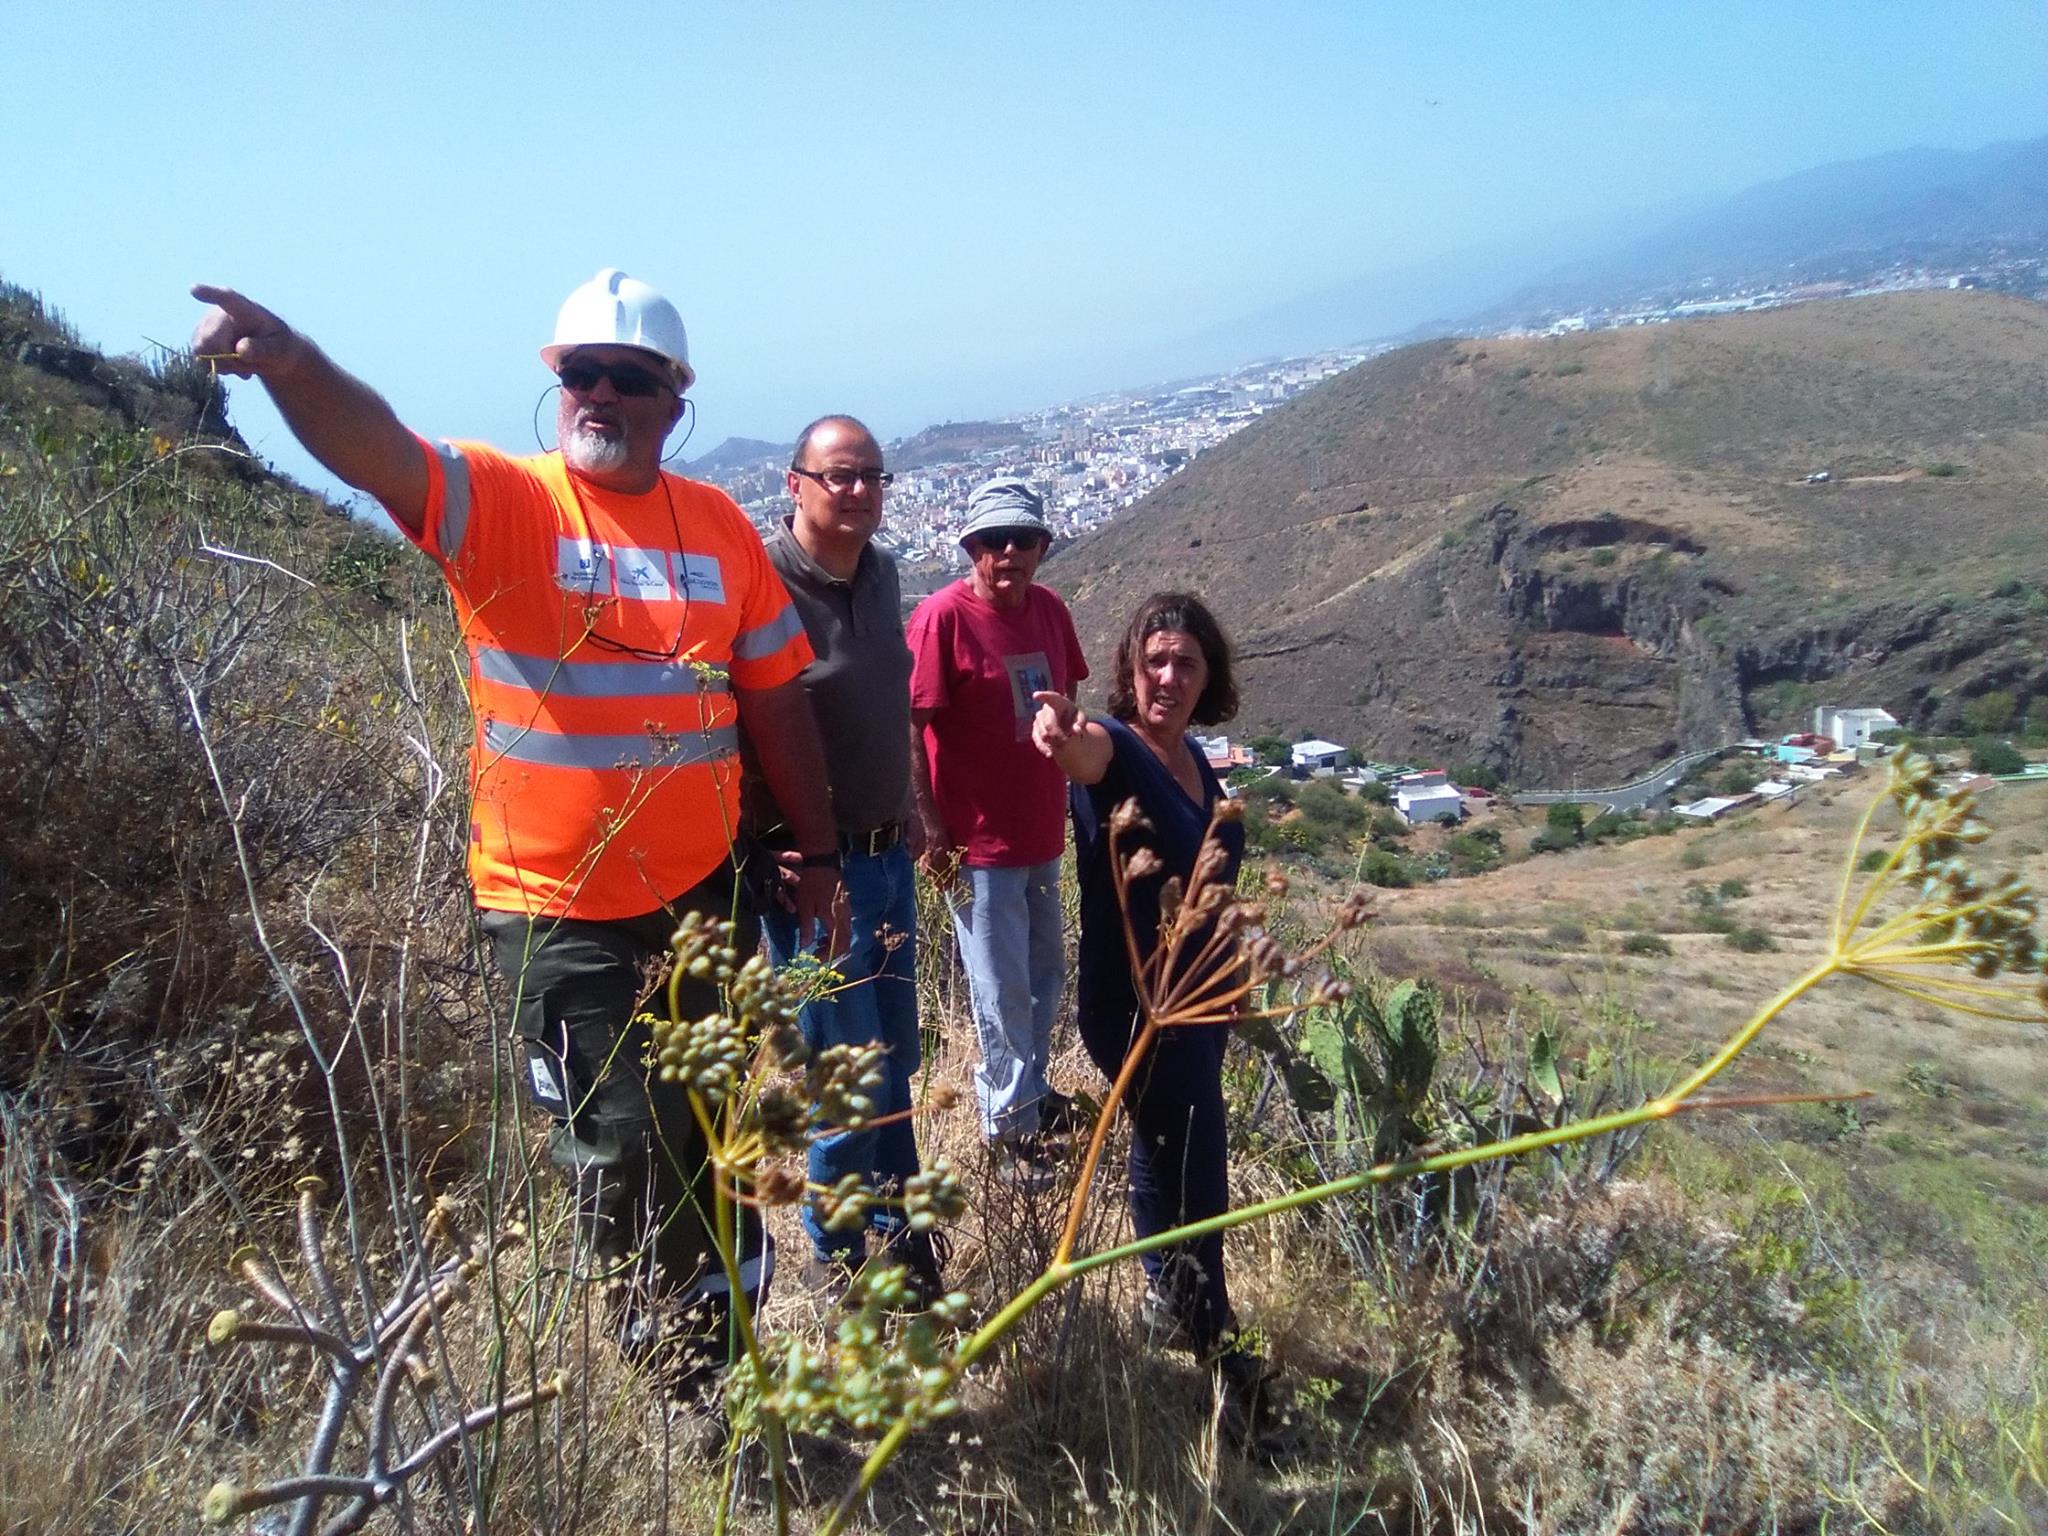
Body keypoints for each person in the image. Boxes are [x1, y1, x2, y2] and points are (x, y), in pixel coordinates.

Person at [188, 269, 845, 1396]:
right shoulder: (508, 504)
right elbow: (379, 451)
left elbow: (776, 697)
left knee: (719, 1133)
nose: (597, 392)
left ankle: (739, 1347)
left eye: (626, 378)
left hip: (703, 894)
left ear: (670, 404)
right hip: (558, 912)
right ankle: (683, 1383)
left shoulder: (721, 530)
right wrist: (292, 362)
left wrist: (822, 858)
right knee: (623, 1156)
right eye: (578, 371)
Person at [1029, 591, 1282, 1452]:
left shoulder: (1195, 759)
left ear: (1210, 677)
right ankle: (1224, 1357)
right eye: (1155, 662)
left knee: (1160, 1146)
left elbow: (1210, 882)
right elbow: (1081, 752)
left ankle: (1161, 1303)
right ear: (1130, 673)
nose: (1168, 677)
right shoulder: (1124, 750)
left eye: (1187, 663)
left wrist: (1235, 969)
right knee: (1198, 1174)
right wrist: (1063, 733)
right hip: (1138, 1003)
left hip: (1198, 993)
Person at [743, 414, 944, 1304]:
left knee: (894, 1055)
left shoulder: (883, 573)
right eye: (838, 475)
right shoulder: (764, 583)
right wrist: (786, 851)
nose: (857, 489)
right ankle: (836, 1255)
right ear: (796, 484)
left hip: (885, 858)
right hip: (814, 878)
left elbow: (884, 694)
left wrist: (909, 799)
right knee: (844, 1072)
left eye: (871, 475)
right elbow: (743, 724)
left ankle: (902, 1236)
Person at [907, 477, 1087, 1190]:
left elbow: (1067, 697)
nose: (1008, 552)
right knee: (999, 986)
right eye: (992, 541)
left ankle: (1032, 1096)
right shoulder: (940, 618)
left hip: (1039, 828)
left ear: (1044, 545)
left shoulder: (1048, 609)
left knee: (1044, 975)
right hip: (973, 844)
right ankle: (1009, 1126)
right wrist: (928, 826)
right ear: (970, 548)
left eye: (1023, 539)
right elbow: (909, 726)